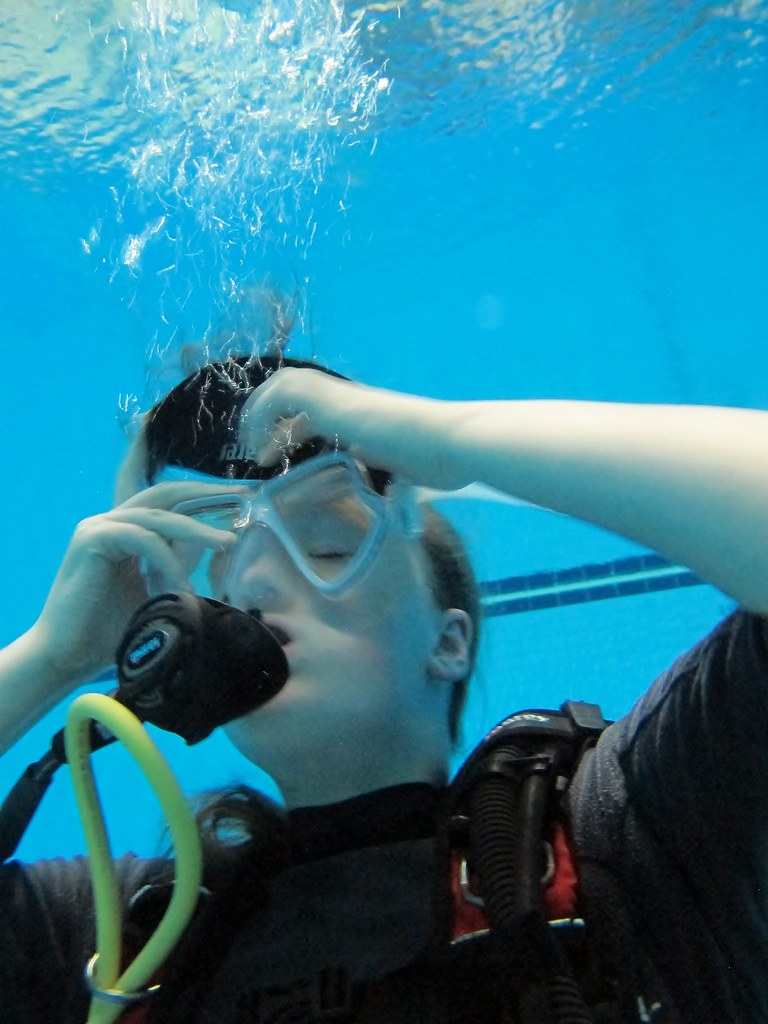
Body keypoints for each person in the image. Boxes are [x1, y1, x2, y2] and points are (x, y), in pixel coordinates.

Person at [1, 354, 767, 1024]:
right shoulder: (131, 942)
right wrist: (51, 656)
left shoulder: (629, 836)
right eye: (223, 578)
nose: (255, 586)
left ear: (449, 641)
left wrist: (443, 441)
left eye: (330, 546)